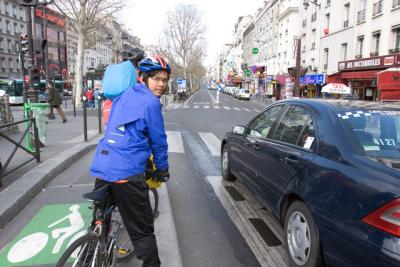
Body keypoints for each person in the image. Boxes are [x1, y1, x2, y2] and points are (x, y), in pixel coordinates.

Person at [90, 55, 171, 267]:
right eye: (156, 78)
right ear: (143, 78)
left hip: (102, 164)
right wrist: (162, 168)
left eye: (164, 79)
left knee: (101, 218)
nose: (161, 84)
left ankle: (92, 249)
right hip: (125, 173)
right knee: (143, 231)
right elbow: (159, 141)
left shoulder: (123, 95)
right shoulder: (151, 103)